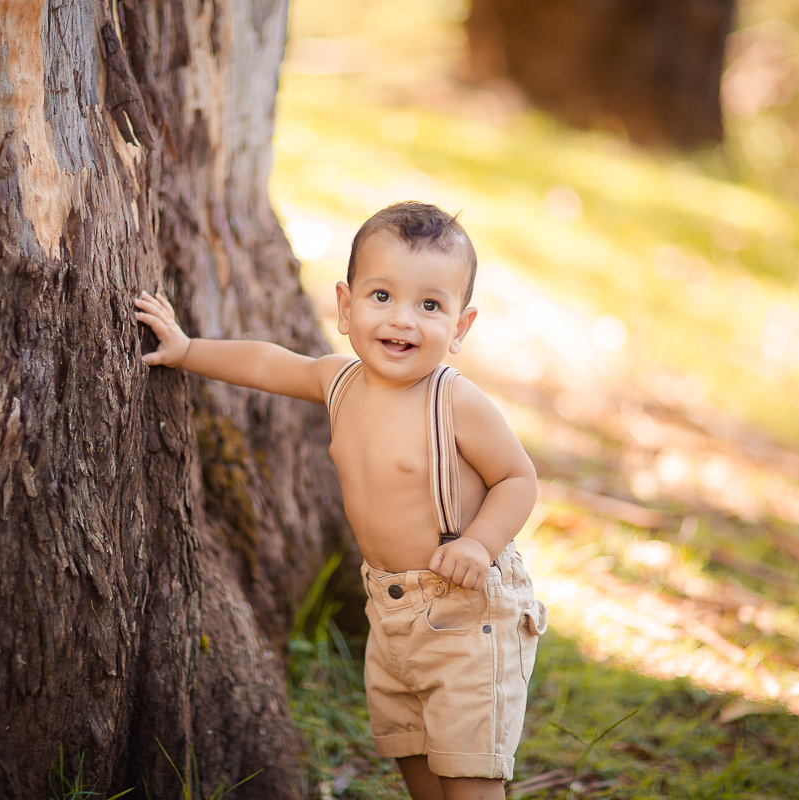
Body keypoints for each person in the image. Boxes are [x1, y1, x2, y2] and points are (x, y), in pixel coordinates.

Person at [134, 201, 547, 800]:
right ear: (346, 306)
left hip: (467, 612)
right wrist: (187, 349)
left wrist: (481, 544)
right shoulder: (339, 380)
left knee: (469, 773)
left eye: (430, 305)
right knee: (415, 758)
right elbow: (268, 362)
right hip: (389, 608)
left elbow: (518, 478)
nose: (403, 320)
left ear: (460, 327)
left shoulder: (455, 402)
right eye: (382, 296)